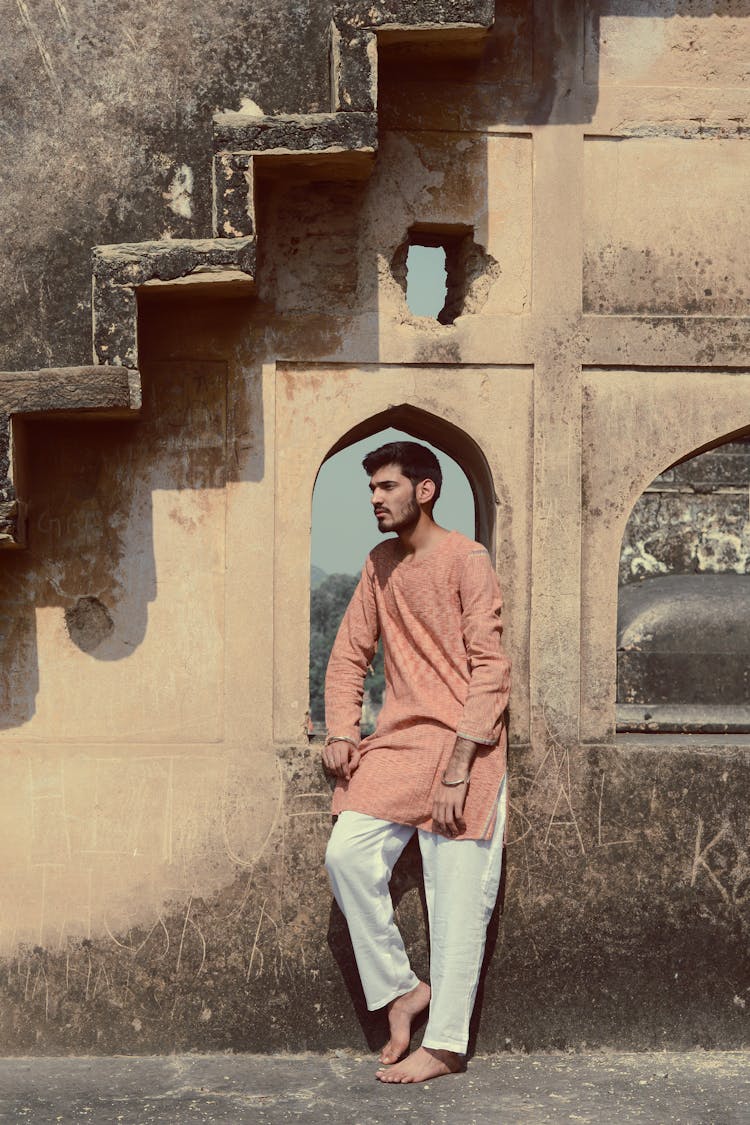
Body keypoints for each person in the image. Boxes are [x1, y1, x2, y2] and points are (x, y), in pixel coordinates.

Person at [322, 440, 511, 1084]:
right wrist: (343, 729)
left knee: (458, 896)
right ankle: (402, 989)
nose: (375, 499)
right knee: (345, 854)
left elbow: (491, 671)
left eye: (387, 487)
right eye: (371, 489)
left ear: (423, 491)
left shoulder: (467, 560)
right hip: (400, 744)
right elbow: (350, 655)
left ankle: (448, 1045)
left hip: (467, 748)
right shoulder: (379, 563)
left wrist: (461, 766)